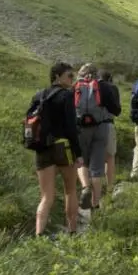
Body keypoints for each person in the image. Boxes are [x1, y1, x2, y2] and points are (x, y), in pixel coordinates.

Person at [29, 62, 83, 236]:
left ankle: (39, 234)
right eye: (69, 75)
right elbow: (71, 127)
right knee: (71, 190)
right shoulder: (66, 96)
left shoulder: (38, 95)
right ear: (57, 76)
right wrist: (79, 153)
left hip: (42, 148)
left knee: (46, 196)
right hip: (63, 147)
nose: (72, 79)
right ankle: (73, 231)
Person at [73, 63, 119, 211]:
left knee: (82, 162)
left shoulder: (75, 86)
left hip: (80, 129)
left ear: (80, 73)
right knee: (97, 167)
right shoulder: (104, 86)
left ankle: (86, 187)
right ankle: (95, 205)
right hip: (101, 128)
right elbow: (116, 110)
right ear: (96, 73)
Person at [98, 69, 122, 191]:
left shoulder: (91, 86)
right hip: (108, 124)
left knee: (95, 157)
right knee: (110, 157)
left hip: (90, 126)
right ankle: (110, 186)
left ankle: (95, 186)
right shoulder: (113, 88)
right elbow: (117, 110)